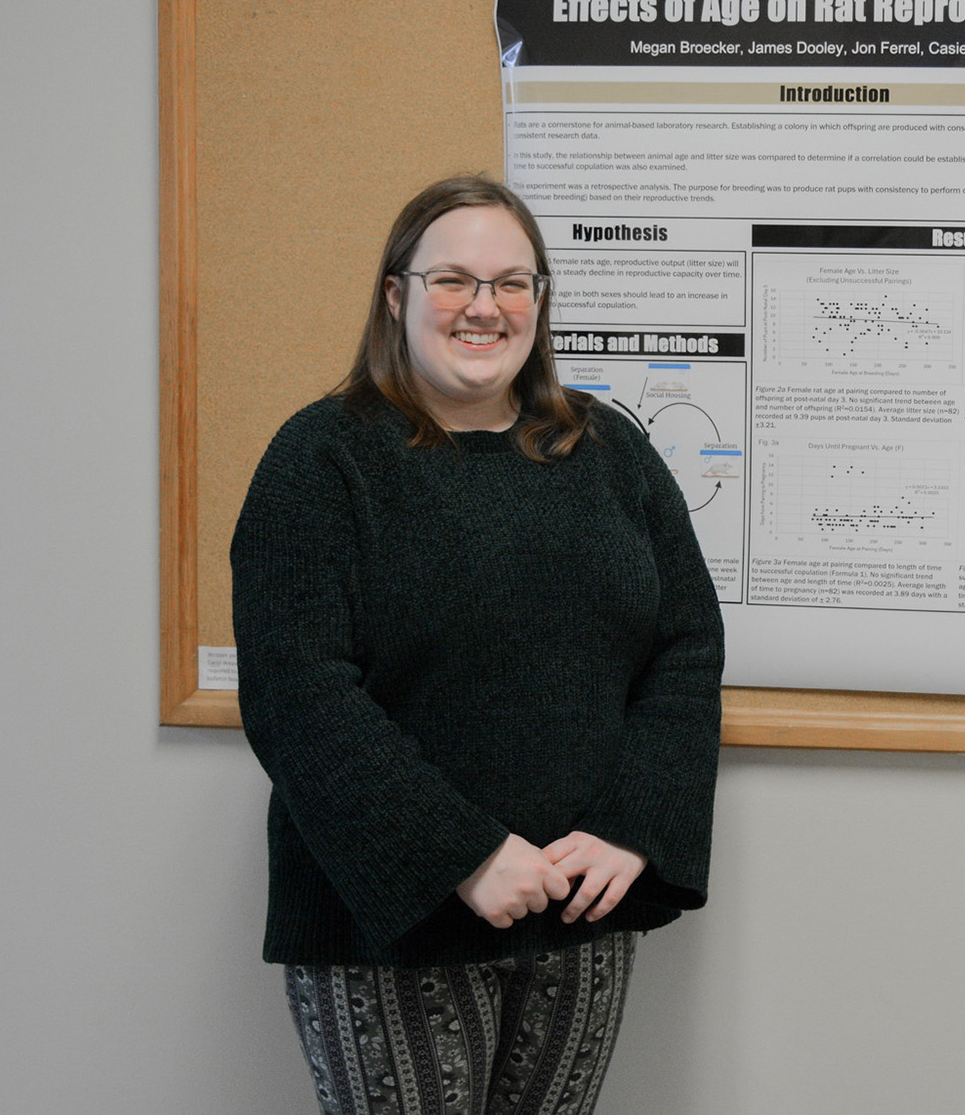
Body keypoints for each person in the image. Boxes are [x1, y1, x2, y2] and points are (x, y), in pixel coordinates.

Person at [231, 174, 724, 1115]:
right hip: (394, 923)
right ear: (396, 295)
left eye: (511, 282)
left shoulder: (609, 450)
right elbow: (297, 690)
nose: (483, 307)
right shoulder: (323, 459)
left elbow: (687, 647)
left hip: (579, 914)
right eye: (453, 279)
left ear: (539, 299)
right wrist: (459, 851)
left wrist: (634, 823)